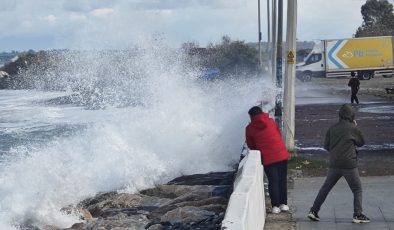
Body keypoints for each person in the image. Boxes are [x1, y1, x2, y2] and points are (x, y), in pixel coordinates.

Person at [307, 104, 370, 223]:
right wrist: (355, 127)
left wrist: (337, 150)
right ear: (352, 115)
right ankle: (357, 214)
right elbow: (361, 143)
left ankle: (314, 211)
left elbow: (326, 146)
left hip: (334, 163)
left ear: (340, 115)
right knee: (357, 189)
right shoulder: (353, 128)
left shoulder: (332, 128)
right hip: (349, 164)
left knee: (325, 188)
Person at [245, 106, 290, 214]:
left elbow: (251, 145)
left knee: (273, 181)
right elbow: (278, 134)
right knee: (282, 180)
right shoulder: (271, 121)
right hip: (281, 154)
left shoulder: (250, 128)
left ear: (251, 116)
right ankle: (284, 204)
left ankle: (275, 206)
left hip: (268, 158)